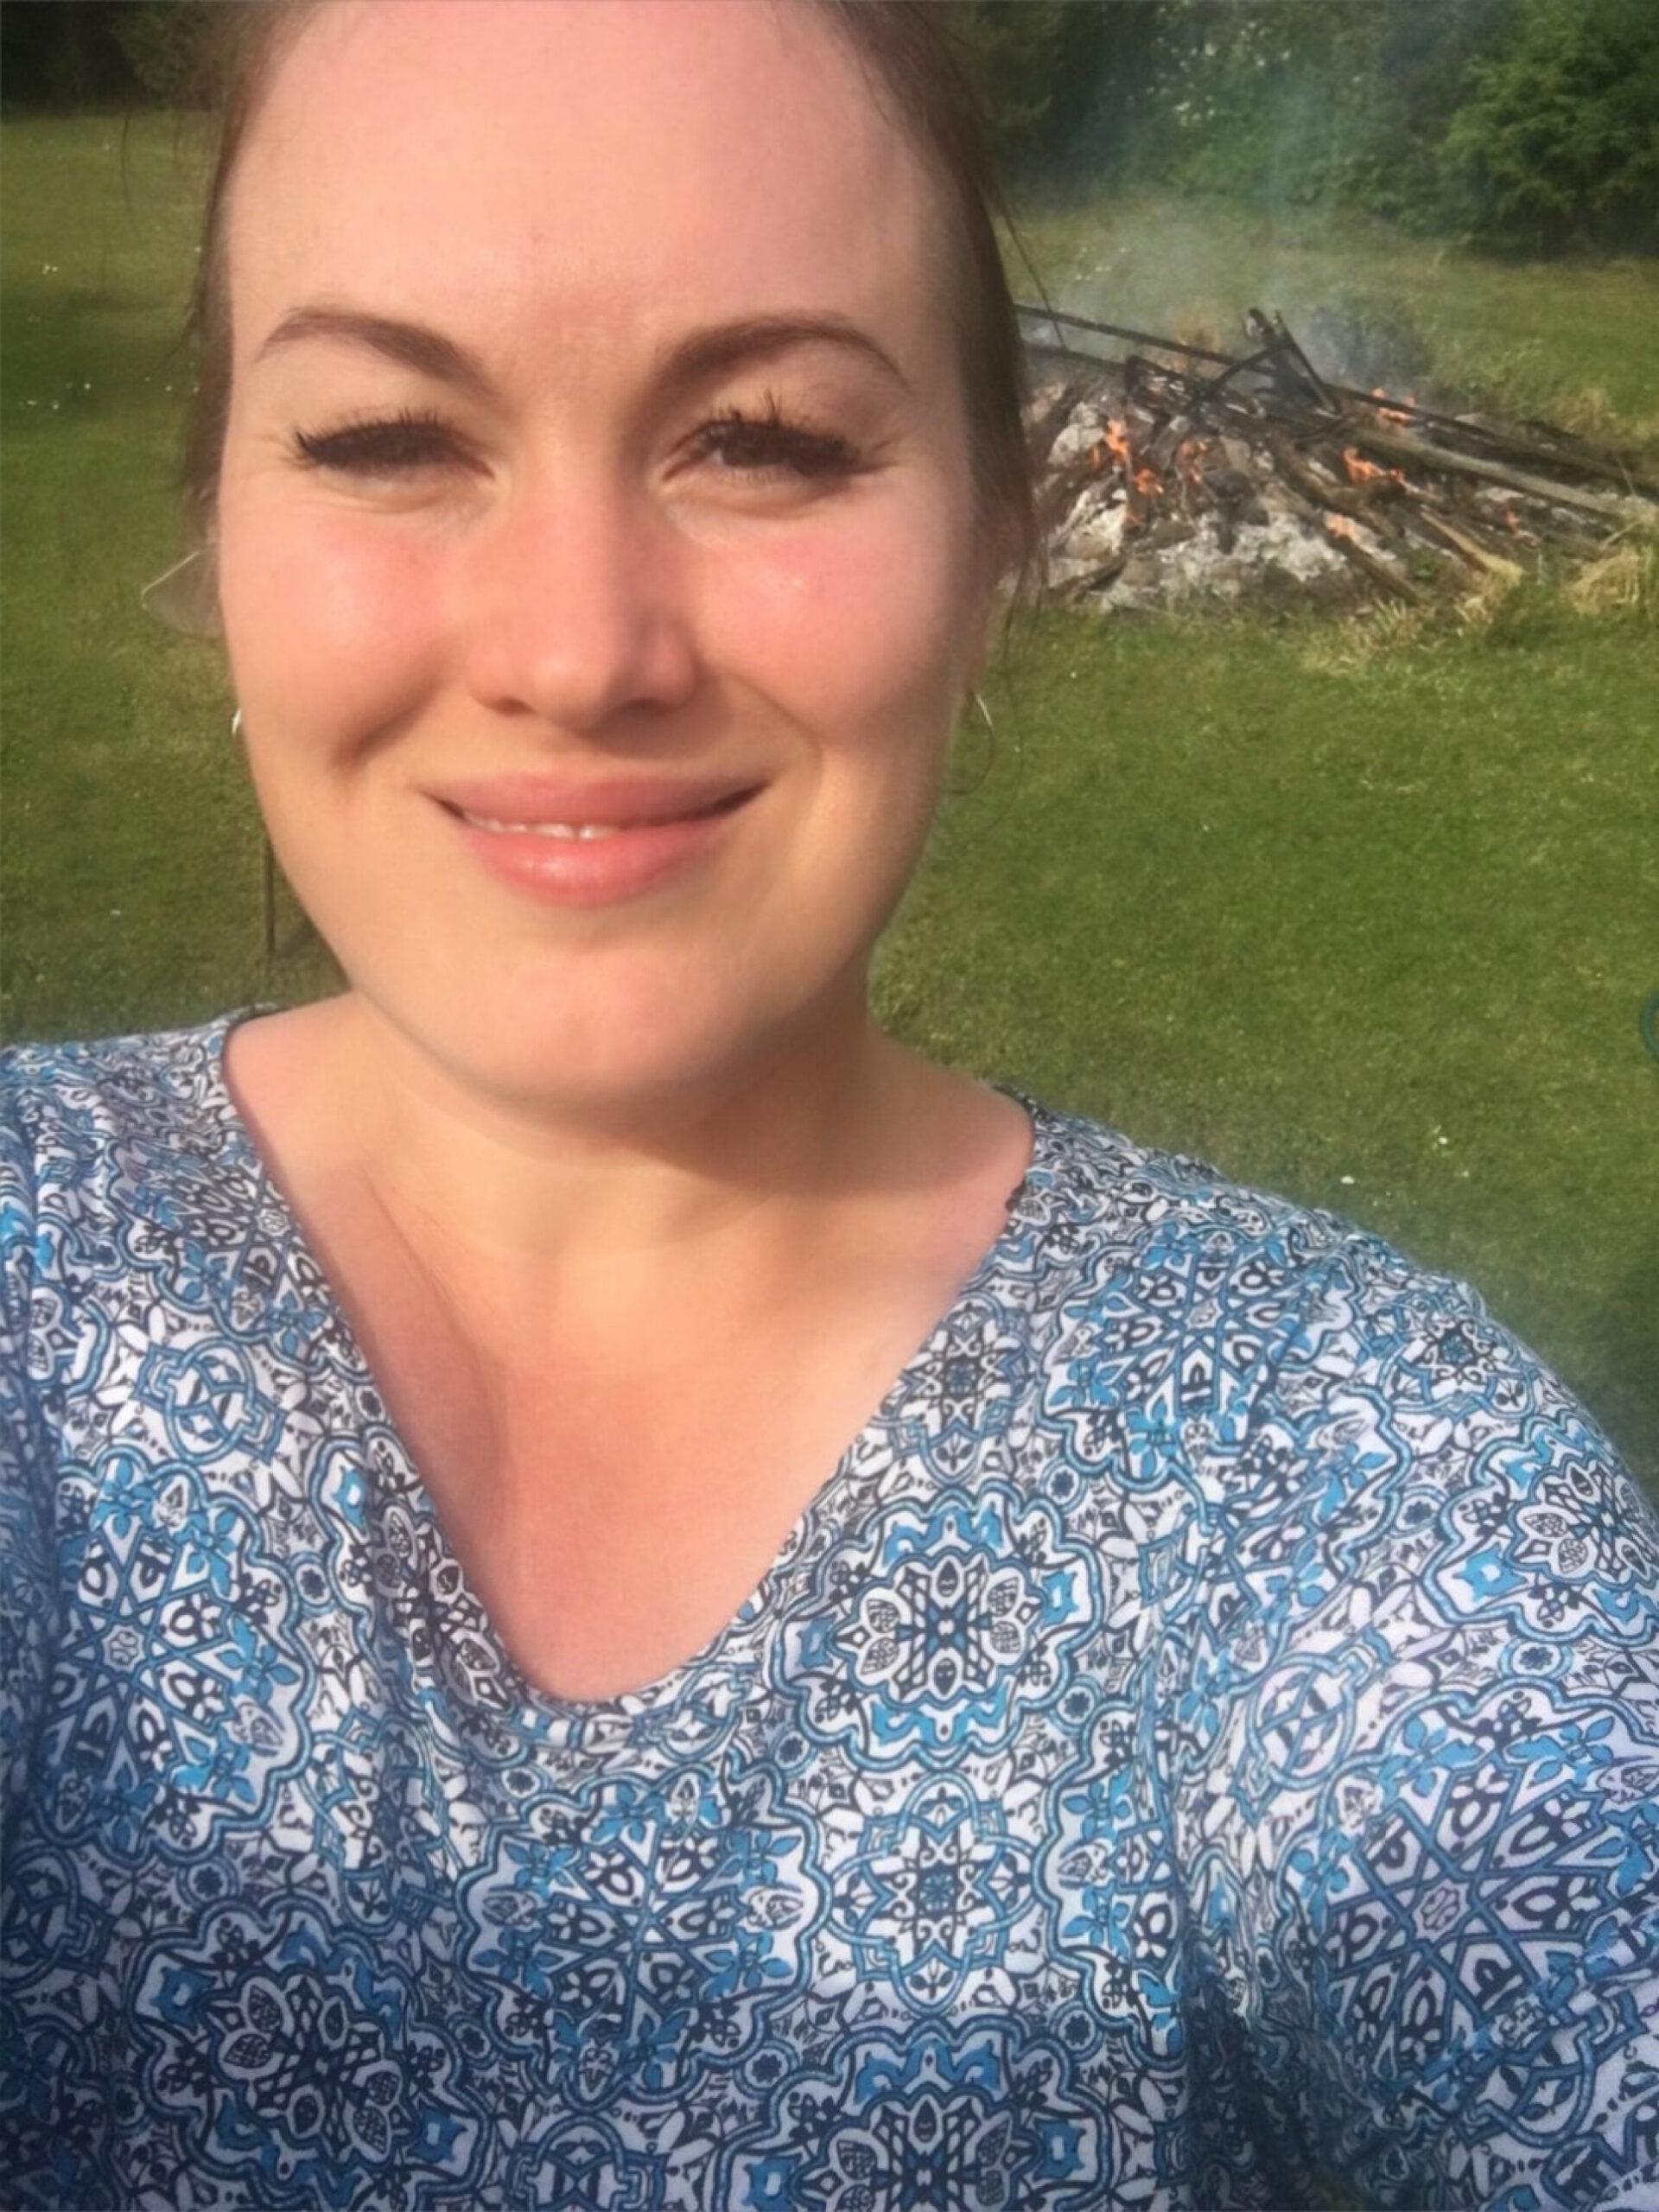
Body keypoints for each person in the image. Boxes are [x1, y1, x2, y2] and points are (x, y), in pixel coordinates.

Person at [2, 3, 1656, 2207]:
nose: (576, 650)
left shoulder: (1335, 1462)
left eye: (765, 440)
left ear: (993, 541)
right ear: (222, 525)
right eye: (389, 434)